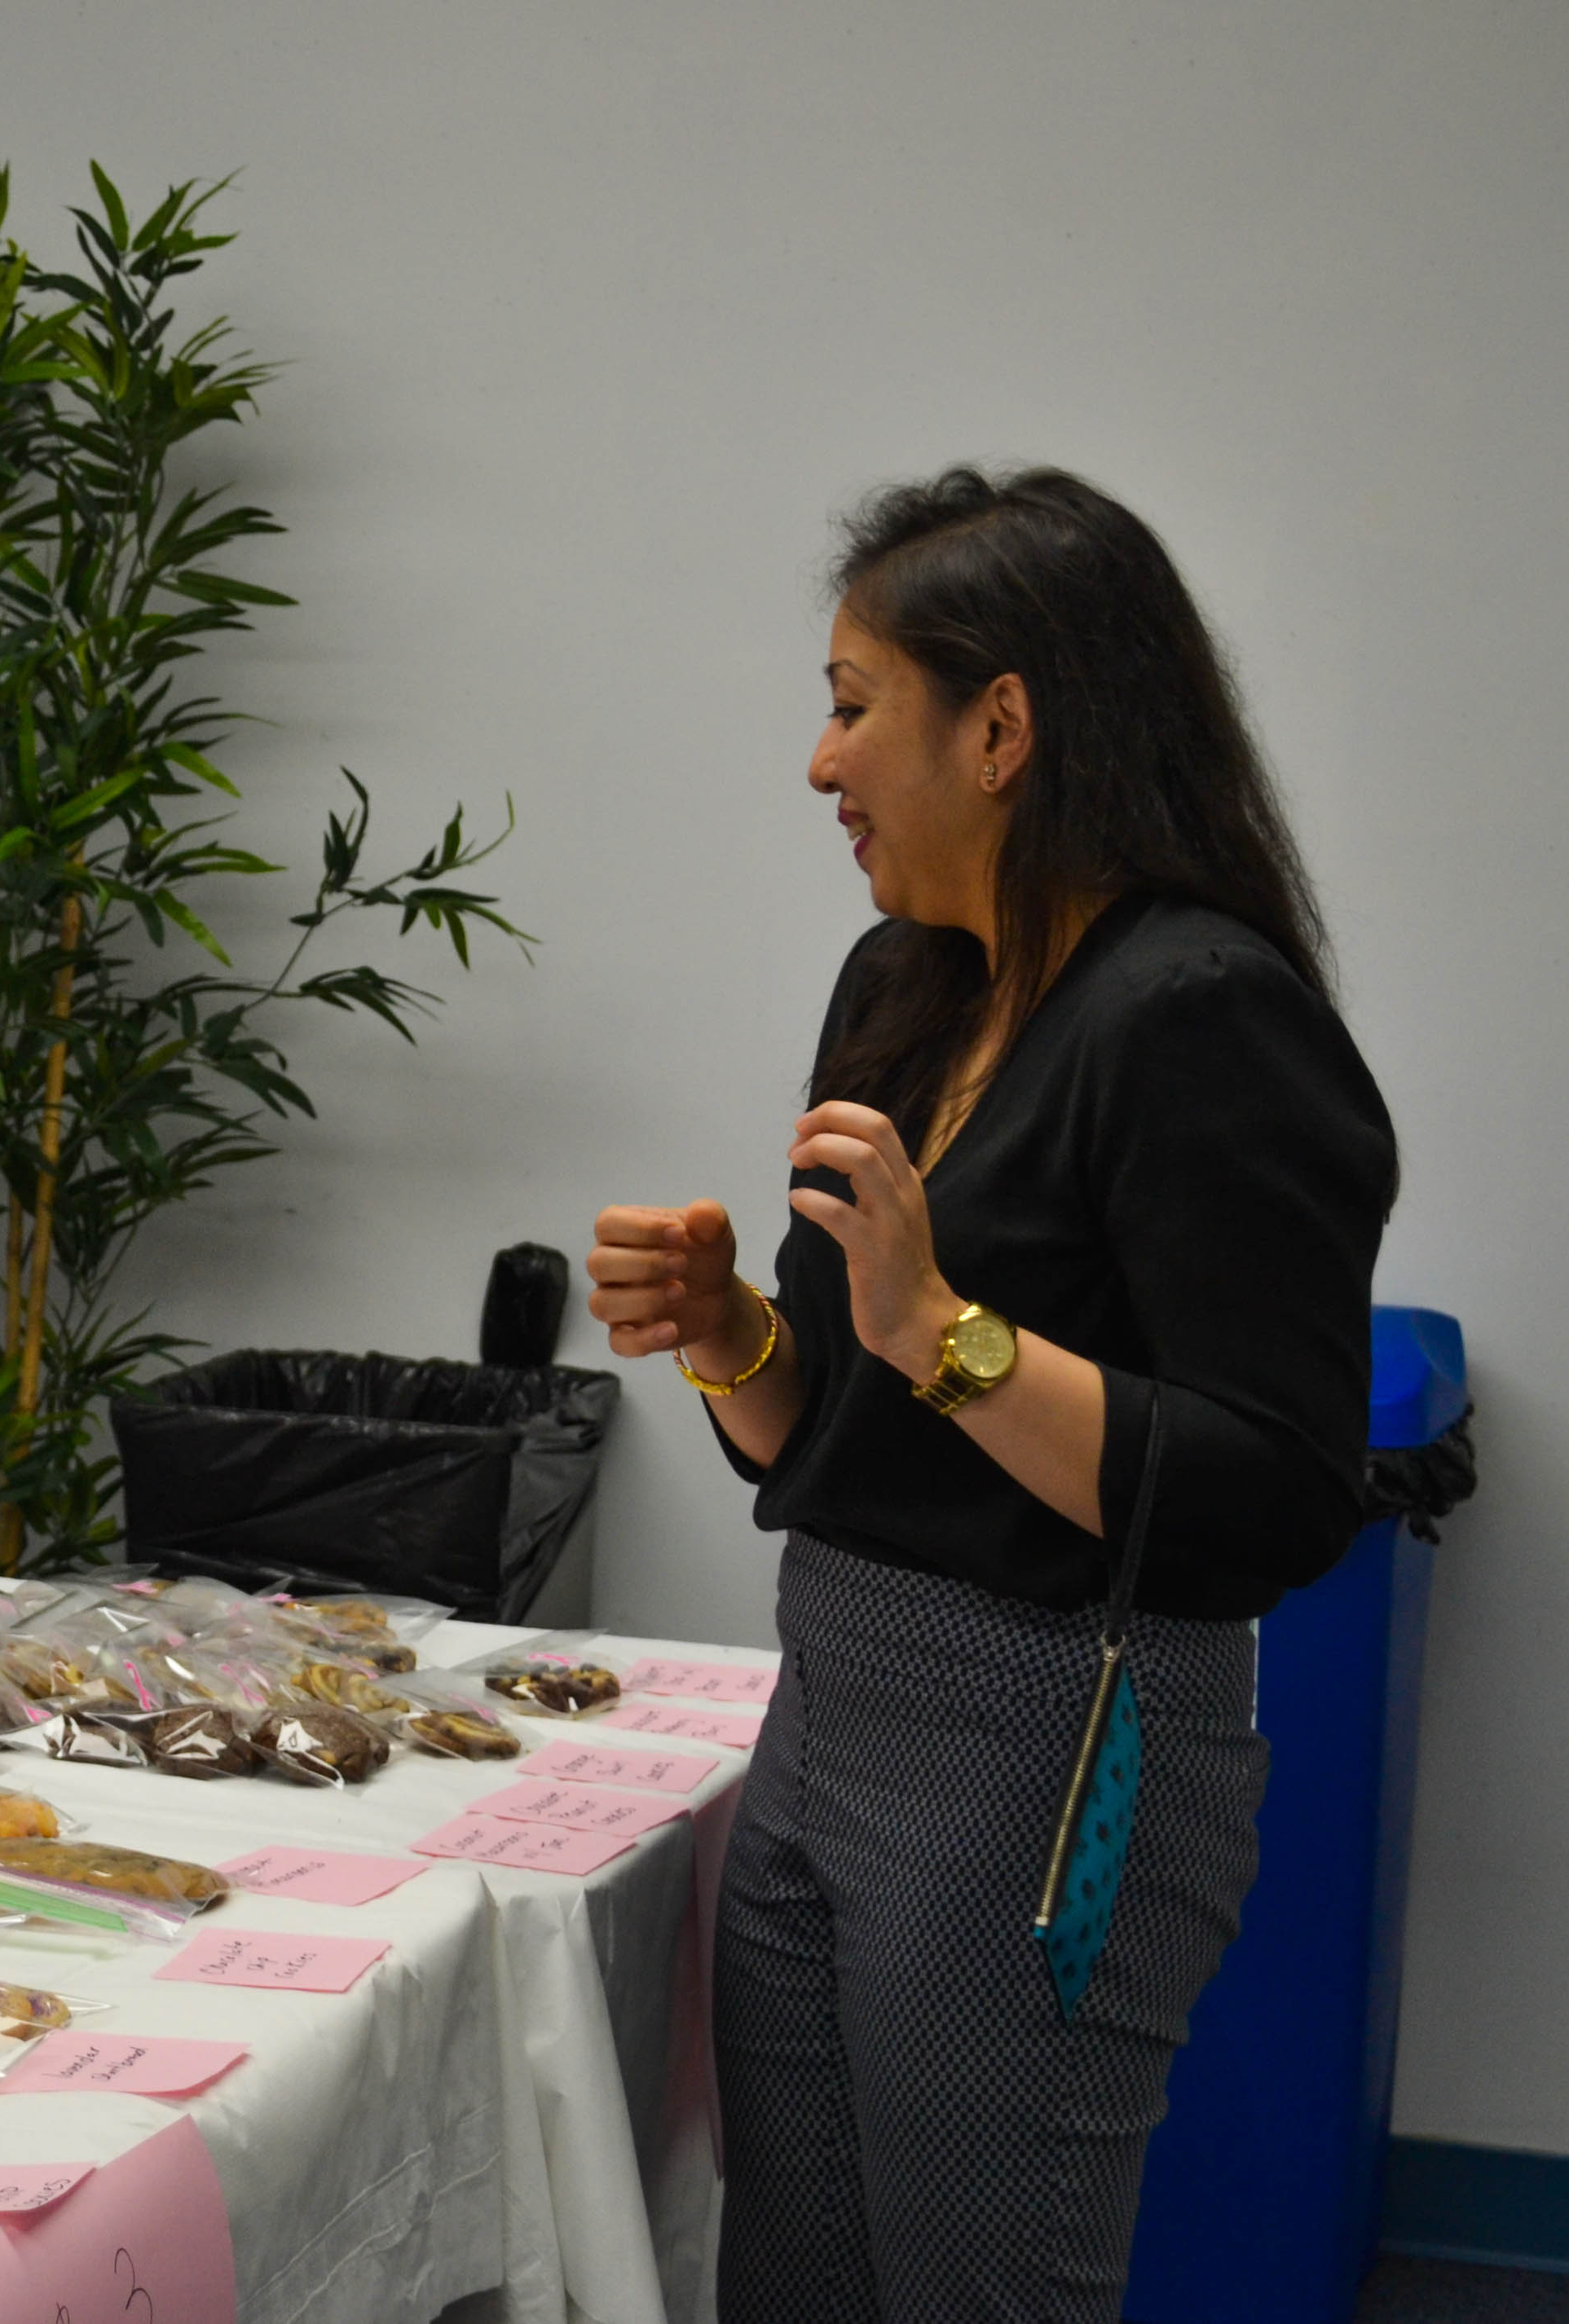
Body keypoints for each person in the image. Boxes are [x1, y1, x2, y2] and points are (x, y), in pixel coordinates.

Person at [587, 468, 1395, 2321]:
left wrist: (948, 1330)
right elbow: (844, 1440)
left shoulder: (1200, 1013)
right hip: (827, 1713)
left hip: (1040, 1741)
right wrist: (728, 1331)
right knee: (791, 2279)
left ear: (1003, 725)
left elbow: (1279, 1491)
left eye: (854, 702)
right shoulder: (906, 980)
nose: (818, 761)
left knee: (975, 2288)